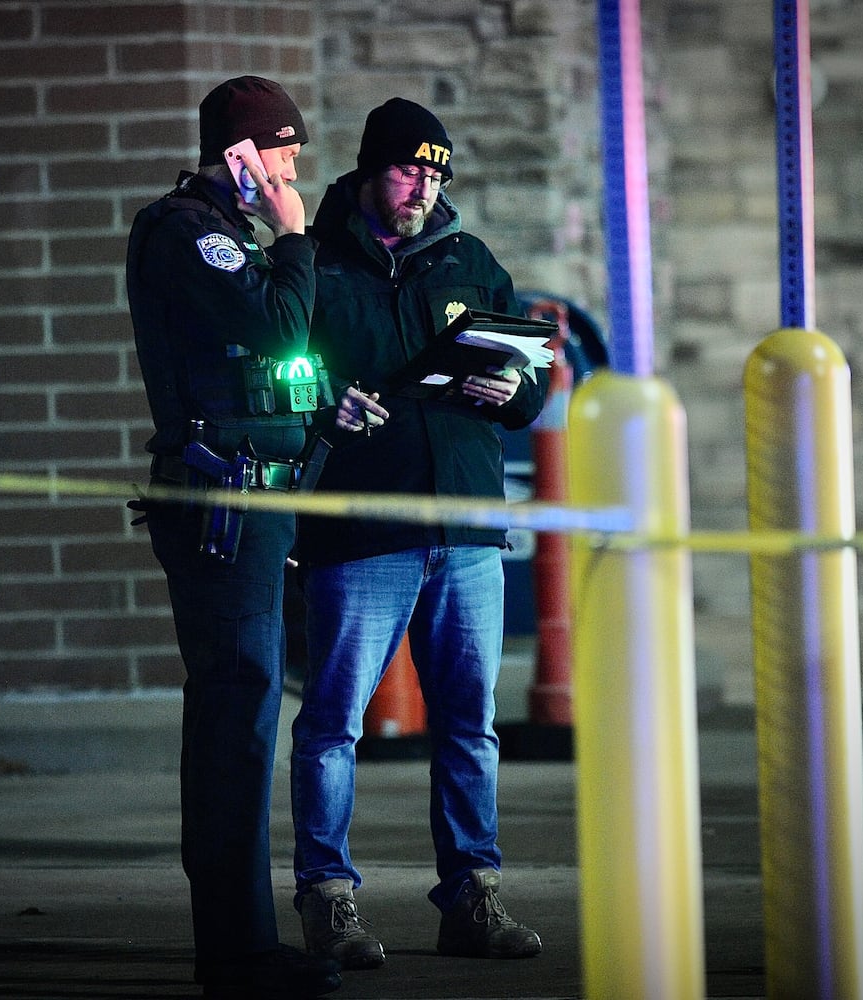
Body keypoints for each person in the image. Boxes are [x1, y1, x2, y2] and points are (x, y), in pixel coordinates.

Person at [290, 97, 545, 970]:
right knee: (333, 724)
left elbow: (532, 379)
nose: (422, 188)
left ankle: (473, 896)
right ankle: (329, 900)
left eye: (436, 174)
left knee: (471, 725)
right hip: (362, 530)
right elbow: (281, 379)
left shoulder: (468, 259)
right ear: (368, 169)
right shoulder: (315, 263)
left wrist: (516, 392)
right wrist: (324, 403)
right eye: (407, 170)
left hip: (466, 527)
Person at [125, 76, 340, 999]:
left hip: (262, 506)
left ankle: (240, 940)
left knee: (248, 712)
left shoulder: (231, 239)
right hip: (225, 510)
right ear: (243, 155)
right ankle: (238, 952)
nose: (294, 170)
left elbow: (288, 351)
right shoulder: (190, 232)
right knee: (237, 718)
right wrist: (294, 235)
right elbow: (276, 320)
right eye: (282, 153)